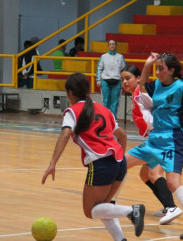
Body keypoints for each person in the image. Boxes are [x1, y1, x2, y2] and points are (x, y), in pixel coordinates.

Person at [41, 73, 145, 241]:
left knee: (90, 211)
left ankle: (132, 211)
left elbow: (66, 134)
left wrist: (53, 163)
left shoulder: (72, 111)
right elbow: (123, 135)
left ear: (70, 93)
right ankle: (121, 239)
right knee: (103, 207)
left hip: (101, 164)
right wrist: (120, 161)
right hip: (119, 162)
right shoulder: (104, 110)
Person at [125, 52, 183, 239]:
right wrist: (148, 65)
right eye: (156, 69)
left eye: (160, 69)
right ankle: (111, 206)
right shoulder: (156, 85)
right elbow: (142, 87)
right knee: (121, 162)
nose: (157, 73)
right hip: (155, 139)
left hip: (172, 141)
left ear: (172, 70)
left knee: (173, 183)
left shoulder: (182, 87)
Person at [121, 65, 183, 224]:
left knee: (122, 164)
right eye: (122, 79)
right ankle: (168, 207)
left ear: (138, 79)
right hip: (158, 140)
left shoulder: (141, 94)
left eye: (128, 78)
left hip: (163, 140)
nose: (124, 82)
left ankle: (171, 208)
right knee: (145, 174)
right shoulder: (135, 96)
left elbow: (160, 103)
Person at [96, 39, 126, 119]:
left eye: (113, 44)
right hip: (105, 80)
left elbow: (123, 70)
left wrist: (123, 81)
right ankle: (106, 119)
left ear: (116, 45)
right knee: (106, 101)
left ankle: (113, 120)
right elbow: (99, 68)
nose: (112, 45)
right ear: (108, 46)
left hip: (117, 81)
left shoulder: (120, 57)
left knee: (115, 102)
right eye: (110, 44)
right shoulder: (103, 57)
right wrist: (98, 80)